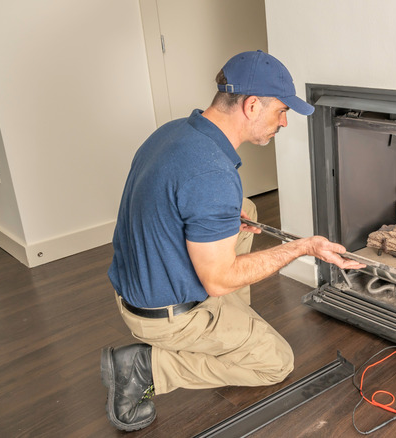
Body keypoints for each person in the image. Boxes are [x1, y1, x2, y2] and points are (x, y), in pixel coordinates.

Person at [101, 50, 364, 432]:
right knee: (275, 362)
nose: (285, 122)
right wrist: (303, 247)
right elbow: (219, 280)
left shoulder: (176, 132)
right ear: (252, 105)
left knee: (245, 209)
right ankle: (146, 367)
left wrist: (217, 224)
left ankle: (231, 325)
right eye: (281, 111)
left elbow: (178, 205)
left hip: (135, 286)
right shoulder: (211, 173)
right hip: (165, 317)